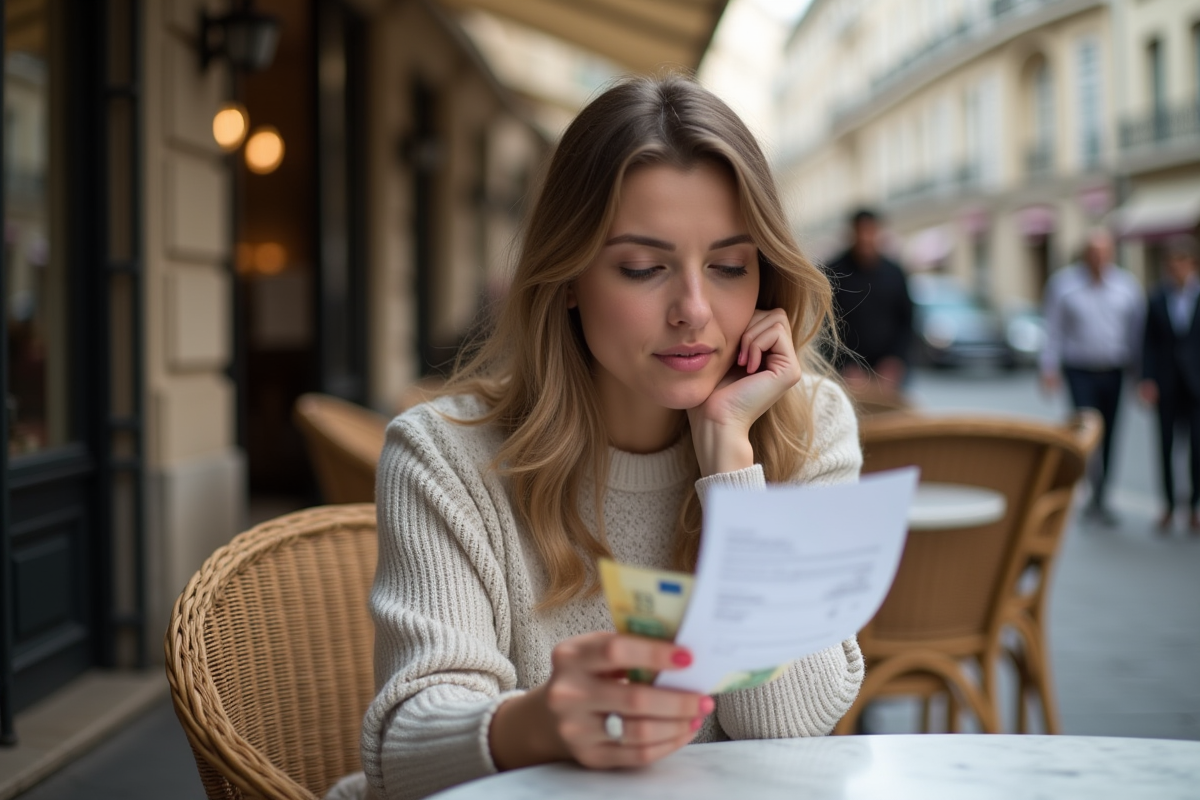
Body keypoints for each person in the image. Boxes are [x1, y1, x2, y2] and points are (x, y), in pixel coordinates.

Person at [327, 76, 864, 800]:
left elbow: (790, 725)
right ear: (570, 277)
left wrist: (732, 465)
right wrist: (544, 723)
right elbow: (403, 752)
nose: (695, 311)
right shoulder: (444, 458)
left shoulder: (811, 430)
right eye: (643, 267)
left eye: (730, 266)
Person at [1039, 228, 1144, 525]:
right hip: (1079, 370)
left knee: (1111, 433)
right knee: (1085, 434)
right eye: (1093, 253)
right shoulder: (1063, 286)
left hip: (1114, 369)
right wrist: (1049, 368)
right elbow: (1054, 330)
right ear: (1084, 254)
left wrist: (1141, 376)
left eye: (1104, 252)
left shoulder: (1127, 287)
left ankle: (1102, 495)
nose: (1099, 259)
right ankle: (1083, 490)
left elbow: (1136, 336)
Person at [1138, 236, 1200, 535]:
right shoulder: (1157, 297)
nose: (1175, 269)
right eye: (1171, 264)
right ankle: (1168, 505)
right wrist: (1147, 380)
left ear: (1191, 264)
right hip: (1166, 383)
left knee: (1198, 449)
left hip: (1196, 386)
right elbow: (1147, 343)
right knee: (1165, 446)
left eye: (1181, 263)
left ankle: (1195, 507)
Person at [826, 208, 914, 392]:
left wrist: (895, 360)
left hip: (889, 374)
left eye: (871, 231)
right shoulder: (833, 272)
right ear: (852, 233)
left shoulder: (894, 272)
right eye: (861, 231)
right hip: (846, 374)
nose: (866, 238)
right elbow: (825, 325)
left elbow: (907, 322)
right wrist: (844, 364)